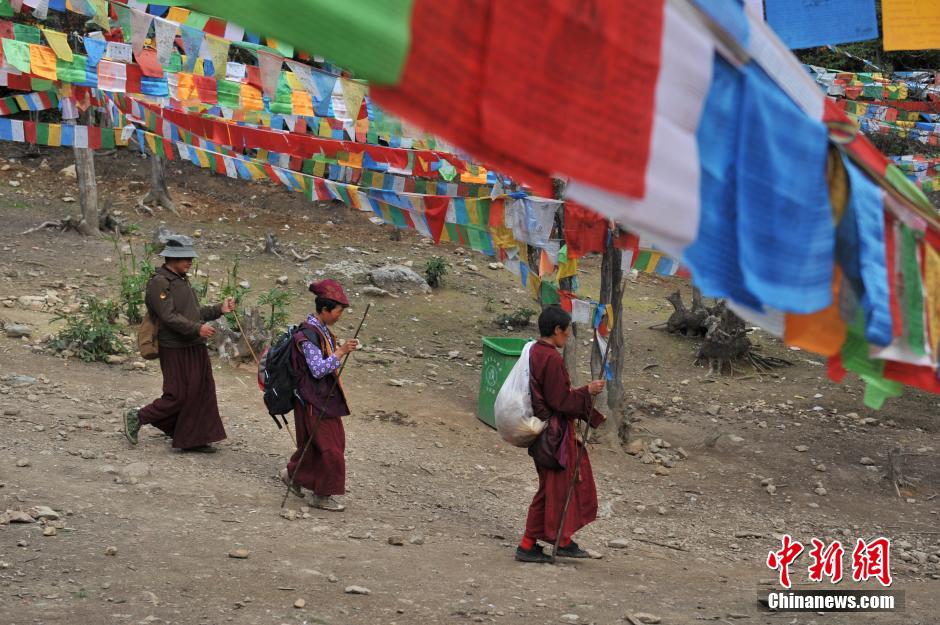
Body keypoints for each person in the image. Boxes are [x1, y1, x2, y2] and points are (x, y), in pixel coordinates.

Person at [123, 236, 234, 453]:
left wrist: (219, 309)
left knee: (202, 392)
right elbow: (168, 316)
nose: (190, 262)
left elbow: (194, 314)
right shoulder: (159, 283)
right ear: (171, 258)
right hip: (174, 346)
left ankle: (193, 438)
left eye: (191, 258)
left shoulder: (182, 280)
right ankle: (137, 416)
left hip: (194, 345)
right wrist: (197, 329)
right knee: (178, 395)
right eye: (185, 258)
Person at [516, 305, 606, 563]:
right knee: (553, 489)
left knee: (559, 487)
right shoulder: (551, 357)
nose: (567, 338)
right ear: (557, 330)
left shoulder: (534, 350)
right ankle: (528, 545)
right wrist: (587, 391)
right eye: (566, 334)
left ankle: (561, 539)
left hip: (545, 433)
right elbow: (561, 401)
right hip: (554, 436)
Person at [280, 279, 359, 511]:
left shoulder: (320, 330)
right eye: (337, 311)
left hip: (321, 398)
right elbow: (317, 369)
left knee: (316, 444)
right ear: (324, 310)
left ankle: (292, 476)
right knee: (330, 448)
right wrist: (341, 352)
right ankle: (321, 495)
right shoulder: (307, 335)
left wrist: (340, 349)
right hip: (314, 401)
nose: (339, 316)